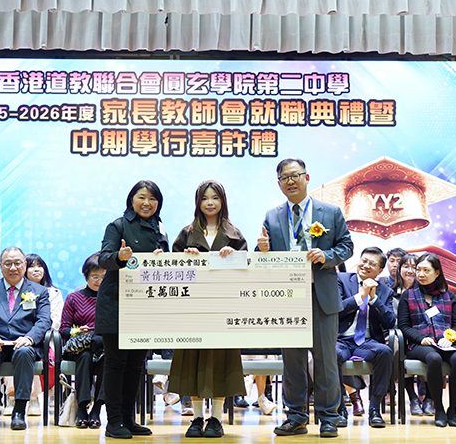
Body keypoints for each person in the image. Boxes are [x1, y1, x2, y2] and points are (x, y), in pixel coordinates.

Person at [256, 158, 353, 438]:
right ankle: (296, 416)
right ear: (278, 184)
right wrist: (262, 249)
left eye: (295, 175)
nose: (290, 181)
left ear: (306, 177)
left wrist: (327, 255)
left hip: (321, 295)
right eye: (284, 178)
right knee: (293, 361)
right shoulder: (272, 216)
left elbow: (347, 246)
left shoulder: (330, 212)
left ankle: (329, 417)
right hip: (288, 297)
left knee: (325, 360)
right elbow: (263, 255)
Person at [168, 180, 248, 438]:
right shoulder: (186, 233)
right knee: (192, 361)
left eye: (215, 197)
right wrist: (185, 257)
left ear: (223, 201)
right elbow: (172, 269)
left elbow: (246, 270)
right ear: (198, 202)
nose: (210, 203)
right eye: (205, 198)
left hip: (224, 308)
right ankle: (196, 418)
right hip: (193, 309)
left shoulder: (235, 235)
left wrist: (233, 255)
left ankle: (216, 419)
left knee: (221, 361)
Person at [98, 180, 169, 439]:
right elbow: (104, 258)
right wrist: (120, 257)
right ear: (132, 200)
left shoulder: (160, 227)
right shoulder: (117, 225)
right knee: (116, 364)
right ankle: (113, 421)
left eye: (152, 198)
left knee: (136, 365)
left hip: (144, 305)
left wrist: (163, 257)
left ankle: (128, 419)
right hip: (116, 303)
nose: (147, 203)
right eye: (142, 197)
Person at [0, 246, 52, 430]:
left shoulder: (39, 291)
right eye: (8, 263)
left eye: (17, 263)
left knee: (24, 352)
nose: (13, 268)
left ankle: (19, 411)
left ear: (24, 265)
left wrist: (30, 338)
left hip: (24, 343)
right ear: (0, 266)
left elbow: (44, 320)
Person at [398, 253, 456, 427]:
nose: (420, 274)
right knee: (433, 358)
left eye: (426, 270)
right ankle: (439, 409)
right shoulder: (408, 295)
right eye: (418, 270)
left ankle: (452, 409)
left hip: (446, 342)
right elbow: (403, 326)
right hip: (419, 344)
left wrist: (450, 338)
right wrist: (421, 338)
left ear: (437, 272)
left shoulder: (449, 296)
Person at [335, 247, 396, 429]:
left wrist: (374, 299)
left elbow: (390, 322)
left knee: (384, 352)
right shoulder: (342, 280)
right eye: (364, 261)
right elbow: (335, 310)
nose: (366, 265)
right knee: (332, 354)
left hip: (367, 342)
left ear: (380, 270)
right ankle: (339, 409)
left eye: (372, 264)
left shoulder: (385, 291)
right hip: (341, 339)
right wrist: (360, 296)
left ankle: (375, 409)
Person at [2, 252, 62, 417]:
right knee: (15, 348)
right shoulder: (14, 291)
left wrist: (34, 334)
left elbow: (55, 320)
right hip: (17, 337)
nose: (36, 270)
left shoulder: (54, 292)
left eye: (40, 266)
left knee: (32, 351)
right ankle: (12, 397)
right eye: (32, 266)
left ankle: (33, 398)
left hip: (45, 338)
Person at [60, 252, 106, 429]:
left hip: (104, 346)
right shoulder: (74, 298)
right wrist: (77, 331)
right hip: (81, 348)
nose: (99, 281)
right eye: (95, 276)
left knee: (107, 359)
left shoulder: (112, 298)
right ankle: (82, 407)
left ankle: (96, 409)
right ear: (86, 276)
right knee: (85, 356)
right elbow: (63, 329)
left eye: (103, 277)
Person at [390, 253, 427, 417]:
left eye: (415, 267)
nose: (410, 271)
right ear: (399, 269)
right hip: (400, 335)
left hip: (423, 336)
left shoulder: (428, 293)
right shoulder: (390, 293)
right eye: (406, 266)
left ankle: (429, 397)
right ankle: (412, 398)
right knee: (398, 345)